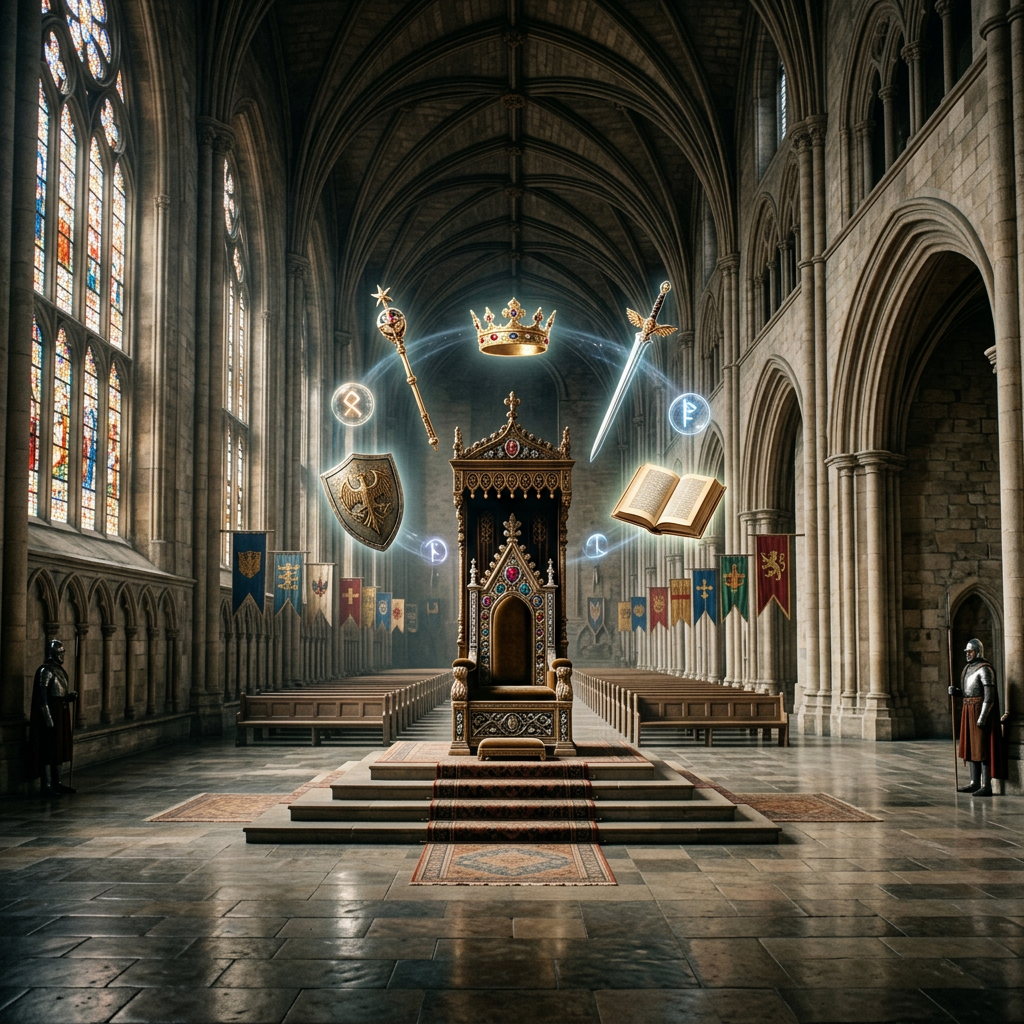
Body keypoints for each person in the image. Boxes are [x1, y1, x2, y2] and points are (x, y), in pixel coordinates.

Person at [948, 638, 1007, 796]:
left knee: (982, 747)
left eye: (970, 651)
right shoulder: (968, 669)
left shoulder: (985, 669)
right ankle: (974, 782)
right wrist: (956, 692)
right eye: (966, 652)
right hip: (968, 709)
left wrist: (982, 717)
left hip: (979, 710)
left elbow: (989, 697)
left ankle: (986, 784)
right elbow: (968, 692)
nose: (967, 654)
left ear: (978, 651)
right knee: (971, 747)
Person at [28, 639, 77, 796]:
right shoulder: (45, 671)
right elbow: (42, 700)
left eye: (63, 652)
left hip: (61, 714)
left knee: (59, 748)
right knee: (49, 750)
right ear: (52, 653)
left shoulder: (59, 671)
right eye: (59, 652)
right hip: (51, 717)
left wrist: (69, 697)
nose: (62, 655)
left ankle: (58, 782)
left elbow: (59, 695)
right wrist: (49, 721)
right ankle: (47, 784)